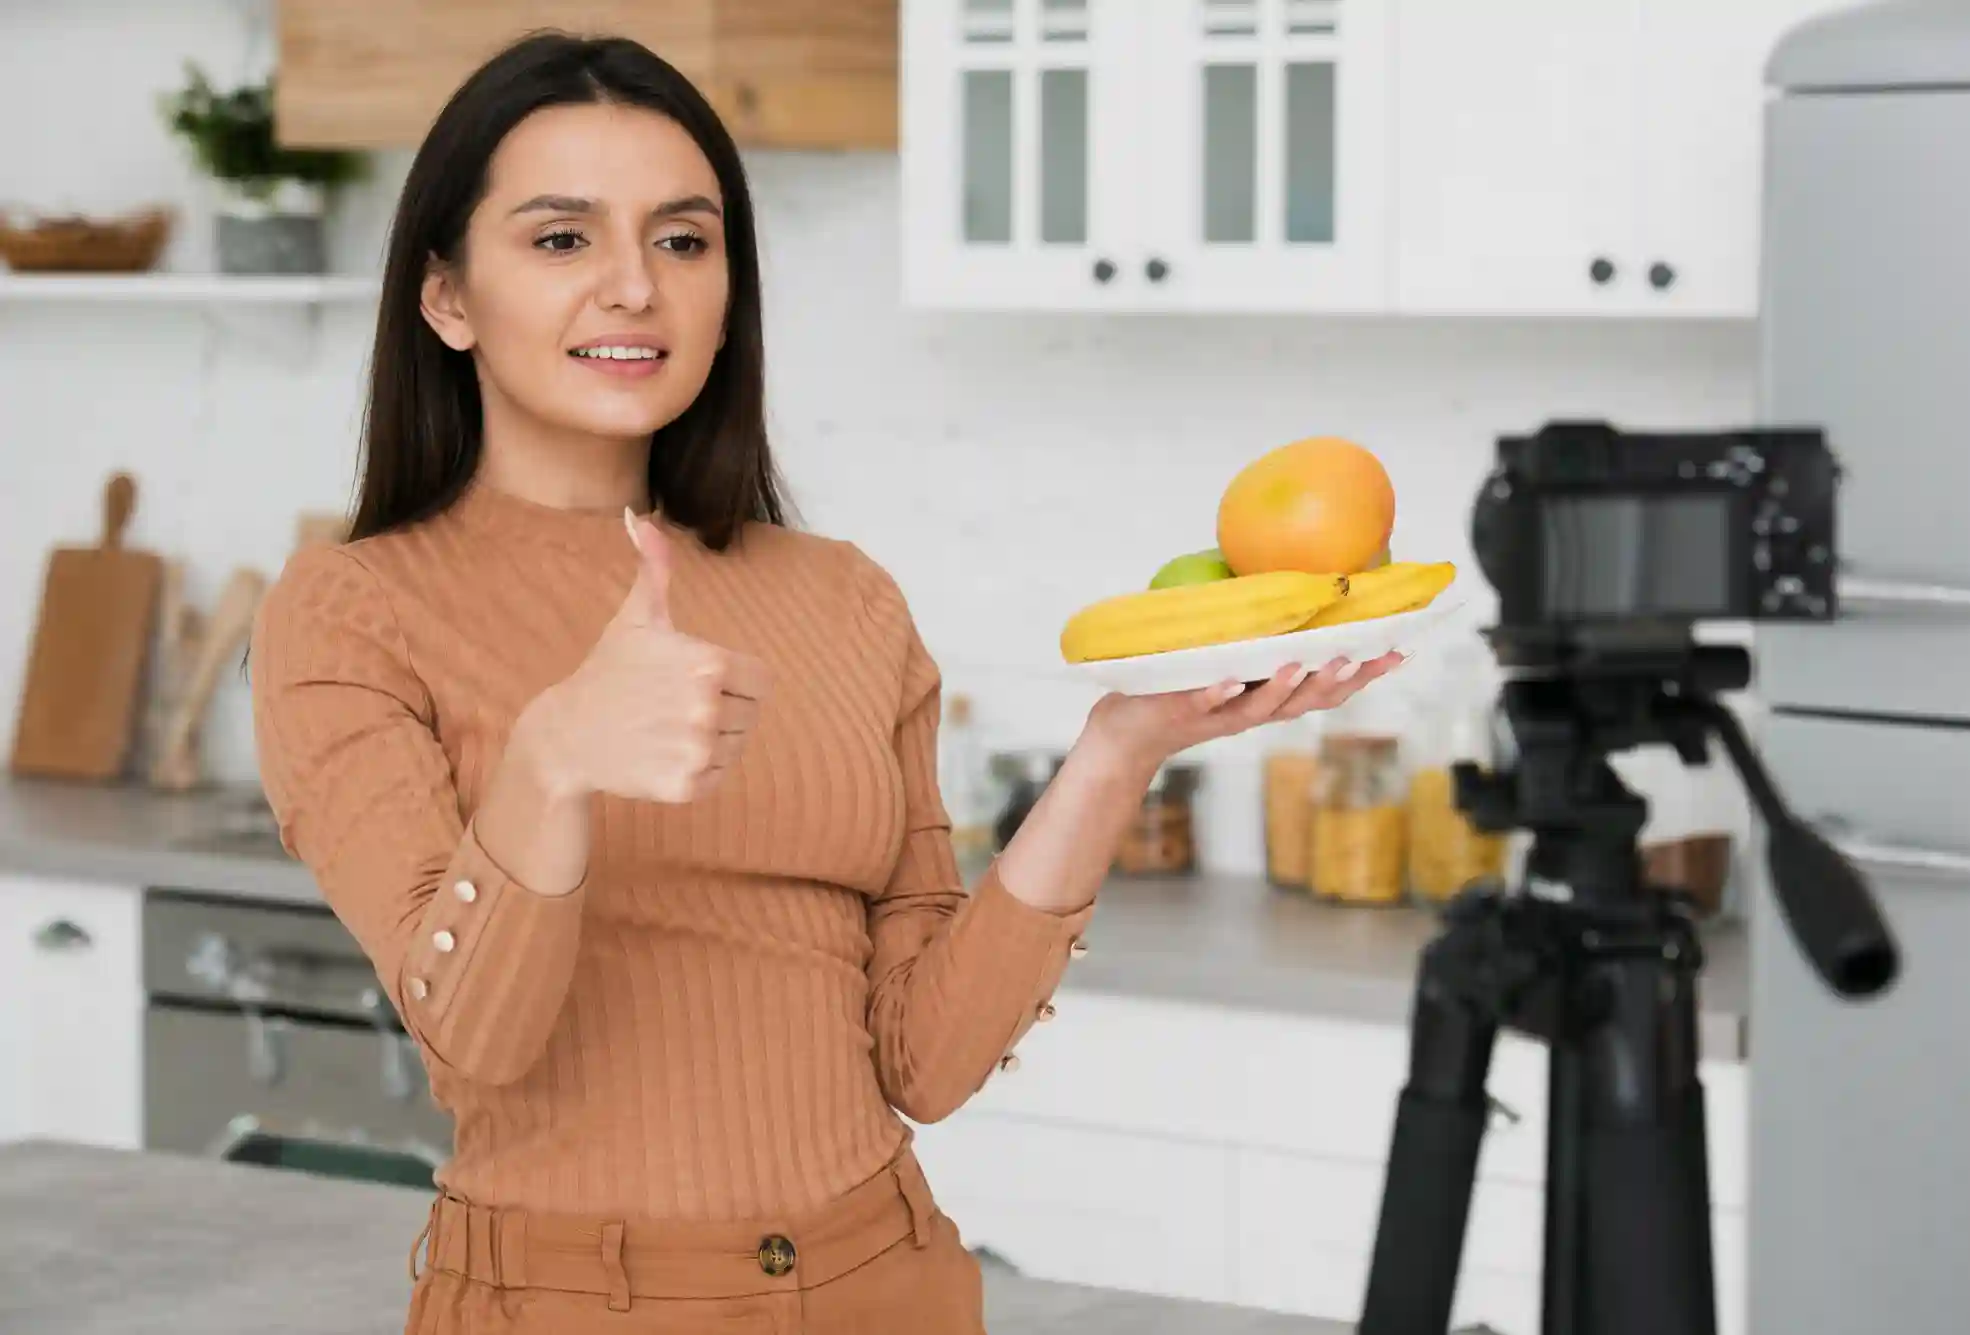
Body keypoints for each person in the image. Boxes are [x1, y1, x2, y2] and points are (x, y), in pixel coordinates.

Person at [248, 30, 1402, 1335]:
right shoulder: (351, 611)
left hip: (887, 1282)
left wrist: (1113, 757)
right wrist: (553, 759)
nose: (635, 287)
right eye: (562, 239)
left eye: (684, 241)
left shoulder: (841, 594)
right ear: (448, 295)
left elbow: (926, 1055)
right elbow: (477, 1036)